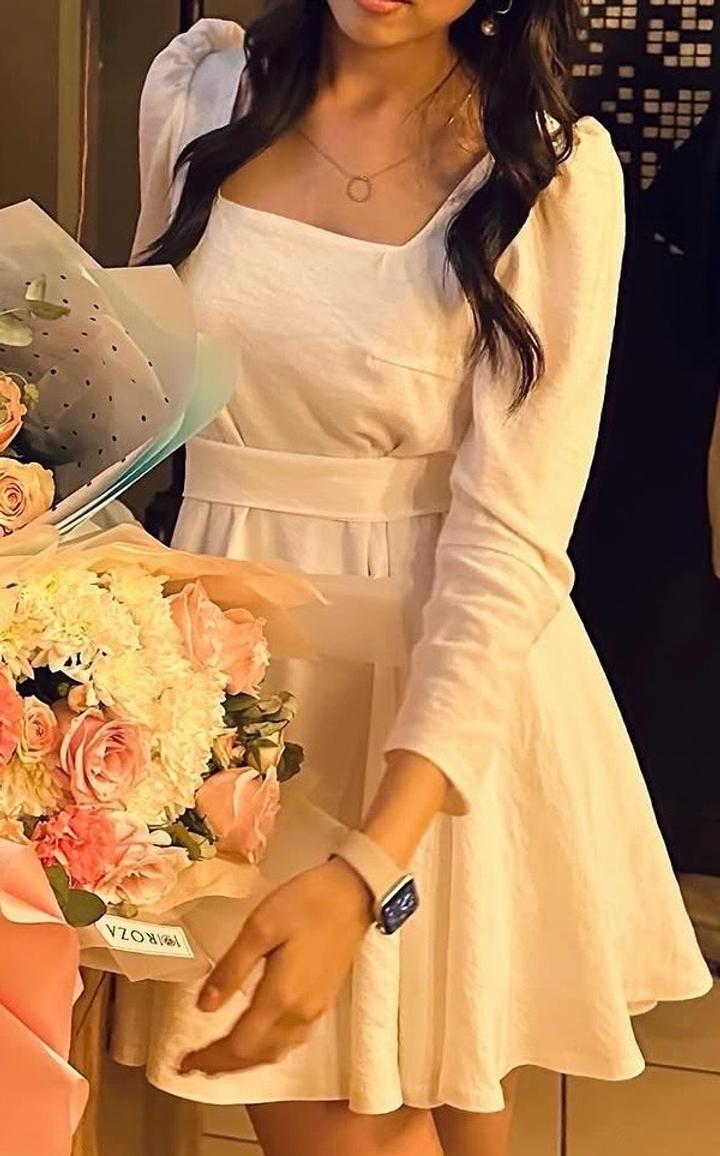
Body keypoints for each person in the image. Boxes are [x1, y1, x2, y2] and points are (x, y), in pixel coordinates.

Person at [115, 5, 712, 1155]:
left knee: (418, 1094)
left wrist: (371, 863)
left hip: (438, 701)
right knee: (398, 1099)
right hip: (229, 679)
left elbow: (513, 534)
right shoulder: (199, 91)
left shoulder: (547, 171)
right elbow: (149, 397)